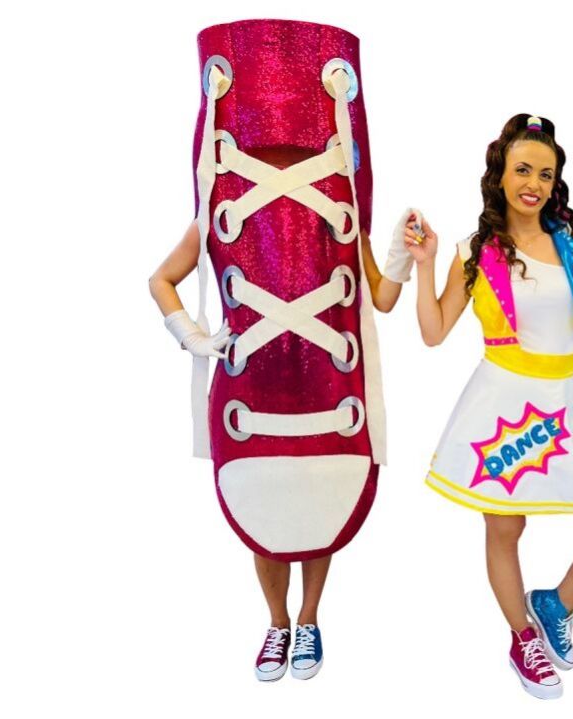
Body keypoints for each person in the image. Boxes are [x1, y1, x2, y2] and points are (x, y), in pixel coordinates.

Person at [147, 19, 410, 683]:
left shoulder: (345, 212)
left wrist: (406, 255)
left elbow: (380, 298)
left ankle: (311, 618)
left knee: (318, 512)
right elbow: (161, 280)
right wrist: (192, 335)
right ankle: (276, 622)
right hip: (253, 391)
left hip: (328, 388)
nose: (284, 164)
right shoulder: (216, 210)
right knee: (267, 515)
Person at [404, 114, 573, 699]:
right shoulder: (475, 252)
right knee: (506, 528)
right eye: (523, 170)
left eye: (546, 174)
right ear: (499, 175)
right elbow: (434, 331)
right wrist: (425, 264)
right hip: (501, 406)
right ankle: (522, 637)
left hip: (564, 405)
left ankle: (554, 603)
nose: (534, 184)